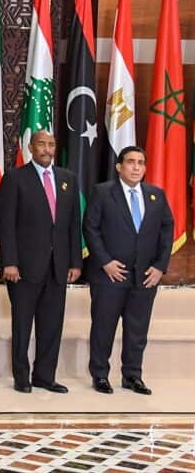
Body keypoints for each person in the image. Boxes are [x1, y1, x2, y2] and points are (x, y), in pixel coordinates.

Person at [0, 130, 82, 394]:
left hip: (58, 266)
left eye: (51, 144)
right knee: (22, 324)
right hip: (23, 267)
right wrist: (9, 261)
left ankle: (45, 375)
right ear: (31, 147)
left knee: (52, 324)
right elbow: (6, 223)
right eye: (42, 144)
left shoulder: (67, 178)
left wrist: (75, 261)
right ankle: (22, 376)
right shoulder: (15, 178)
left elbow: (72, 225)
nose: (47, 149)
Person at [82, 146, 172, 395]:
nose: (136, 167)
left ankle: (132, 375)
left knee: (137, 330)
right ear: (119, 166)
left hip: (144, 276)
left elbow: (167, 231)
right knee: (103, 327)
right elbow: (90, 228)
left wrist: (159, 267)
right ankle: (100, 374)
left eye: (140, 163)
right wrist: (105, 262)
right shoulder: (102, 192)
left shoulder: (156, 195)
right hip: (109, 275)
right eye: (130, 162)